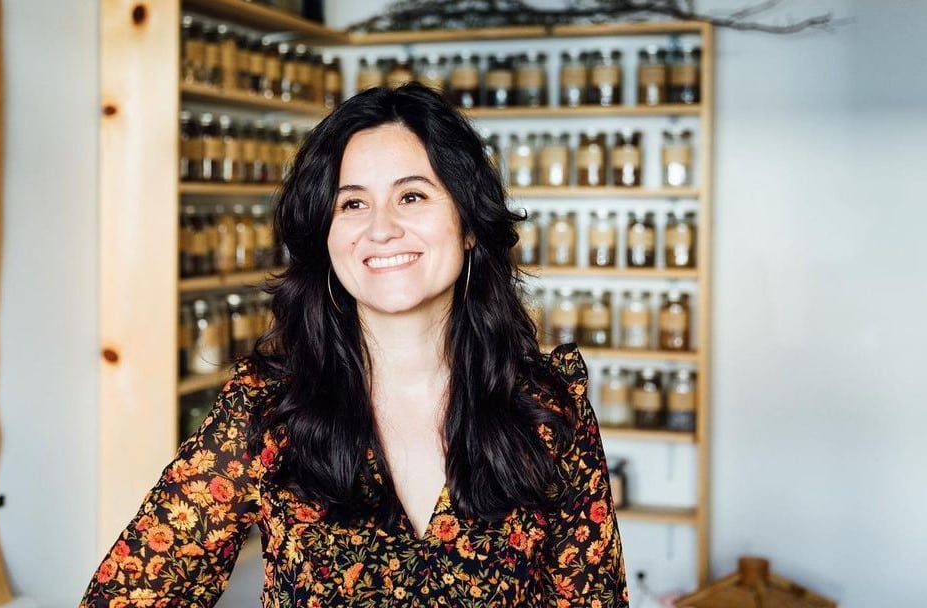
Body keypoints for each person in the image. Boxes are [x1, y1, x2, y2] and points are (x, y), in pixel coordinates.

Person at [80, 84, 628, 606]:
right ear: (326, 233)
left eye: (411, 196)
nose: (381, 229)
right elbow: (129, 593)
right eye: (353, 204)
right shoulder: (270, 408)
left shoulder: (547, 404)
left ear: (468, 225)